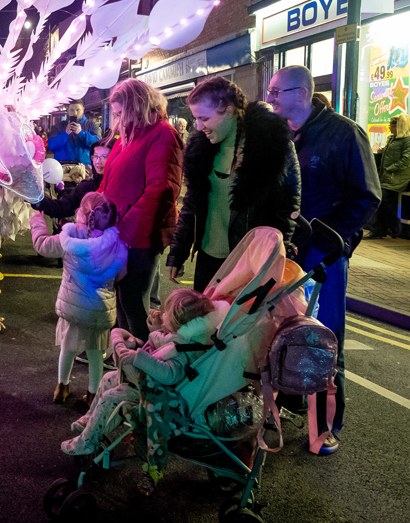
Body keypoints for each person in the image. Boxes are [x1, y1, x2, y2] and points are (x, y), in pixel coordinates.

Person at [266, 65, 380, 454]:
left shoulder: (344, 134)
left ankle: (327, 427)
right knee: (281, 331)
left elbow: (366, 197)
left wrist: (328, 237)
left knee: (323, 339)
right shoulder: (284, 134)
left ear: (301, 93)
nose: (270, 98)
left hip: (324, 256)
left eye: (276, 91)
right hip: (289, 253)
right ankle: (289, 401)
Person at [60, 288, 222, 490]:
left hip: (157, 396)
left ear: (179, 324)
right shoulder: (180, 338)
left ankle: (89, 441)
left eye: (167, 314)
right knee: (109, 379)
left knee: (112, 397)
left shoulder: (185, 348)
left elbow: (170, 374)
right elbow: (160, 348)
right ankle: (90, 422)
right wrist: (154, 330)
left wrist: (138, 358)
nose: (163, 315)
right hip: (145, 384)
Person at [167, 76, 301, 293]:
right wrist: (178, 252)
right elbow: (192, 205)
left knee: (235, 326)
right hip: (208, 258)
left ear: (228, 111)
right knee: (204, 325)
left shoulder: (272, 145)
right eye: (196, 120)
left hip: (248, 263)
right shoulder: (201, 149)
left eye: (205, 119)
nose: (199, 127)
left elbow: (287, 209)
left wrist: (272, 263)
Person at [98, 78, 183, 340]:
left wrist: (125, 232)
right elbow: (109, 183)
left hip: (139, 238)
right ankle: (127, 359)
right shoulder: (127, 138)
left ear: (136, 107)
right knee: (124, 301)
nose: (117, 120)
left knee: (134, 304)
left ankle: (143, 368)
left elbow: (161, 190)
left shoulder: (163, 135)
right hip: (121, 235)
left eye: (119, 113)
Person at [29, 193, 128, 407]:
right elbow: (120, 274)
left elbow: (41, 245)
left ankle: (61, 387)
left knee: (68, 347)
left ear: (81, 214)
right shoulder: (117, 244)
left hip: (73, 306)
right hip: (100, 309)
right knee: (95, 353)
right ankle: (93, 394)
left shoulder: (70, 237)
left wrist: (37, 219)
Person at [365, 113, 410, 239]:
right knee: (381, 200)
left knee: (382, 200)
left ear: (399, 126)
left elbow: (406, 159)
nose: (389, 127)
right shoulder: (392, 139)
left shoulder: (407, 141)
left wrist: (390, 169)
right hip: (388, 177)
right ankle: (387, 227)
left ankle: (387, 227)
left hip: (396, 178)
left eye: (392, 125)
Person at [47, 100, 101, 166]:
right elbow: (51, 145)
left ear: (83, 109)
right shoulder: (58, 126)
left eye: (78, 110)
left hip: (85, 166)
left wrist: (81, 134)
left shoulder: (91, 125)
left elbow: (98, 144)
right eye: (72, 110)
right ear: (68, 110)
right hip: (63, 166)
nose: (75, 113)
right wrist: (65, 134)